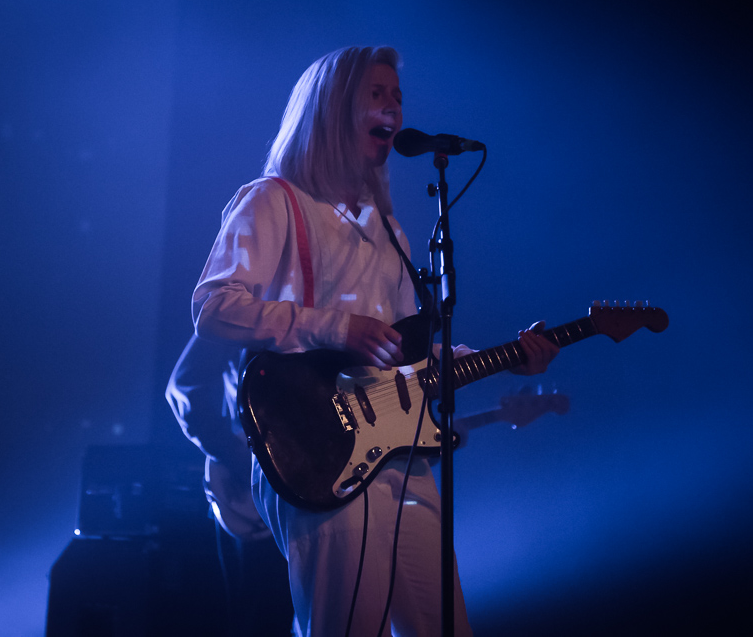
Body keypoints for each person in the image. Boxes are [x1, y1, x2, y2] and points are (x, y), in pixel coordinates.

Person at [189, 46, 558, 637]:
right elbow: (214, 308)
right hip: (314, 446)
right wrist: (335, 327)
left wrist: (500, 361)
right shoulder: (273, 201)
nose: (393, 109)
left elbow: (407, 354)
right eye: (377, 94)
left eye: (398, 96)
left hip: (398, 454)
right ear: (334, 109)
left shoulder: (392, 233)